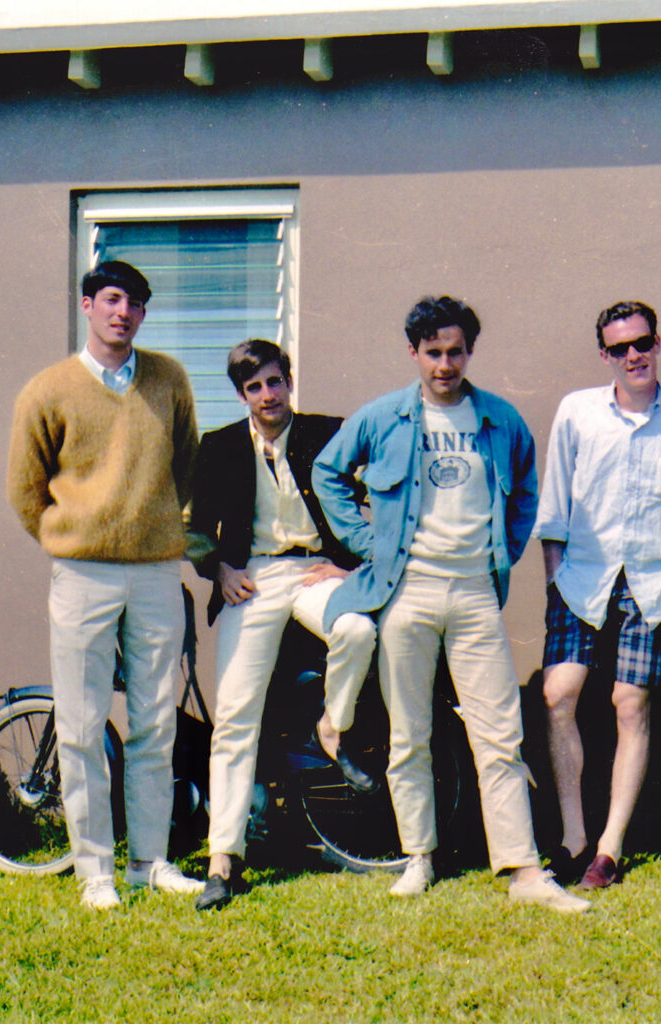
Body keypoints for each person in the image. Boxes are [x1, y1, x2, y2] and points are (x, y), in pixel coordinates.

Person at [312, 295, 588, 913]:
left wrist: (504, 552)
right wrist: (370, 544)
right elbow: (328, 472)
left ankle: (523, 869)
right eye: (433, 353)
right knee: (410, 731)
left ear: (470, 352)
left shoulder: (500, 420)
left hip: (472, 594)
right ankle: (419, 858)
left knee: (498, 733)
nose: (445, 364)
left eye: (455, 351)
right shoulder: (383, 418)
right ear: (414, 353)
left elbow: (525, 499)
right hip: (405, 592)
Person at [7, 260, 203, 909]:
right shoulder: (48, 389)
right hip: (83, 573)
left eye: (137, 304)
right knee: (83, 725)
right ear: (88, 305)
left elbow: (188, 466)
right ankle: (96, 872)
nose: (124, 312)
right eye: (112, 299)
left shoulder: (169, 380)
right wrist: (72, 540)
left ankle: (150, 861)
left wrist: (163, 535)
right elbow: (25, 490)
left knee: (154, 721)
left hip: (153, 572)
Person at [186, 339, 377, 911]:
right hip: (253, 579)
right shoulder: (219, 448)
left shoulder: (328, 434)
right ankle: (224, 859)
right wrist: (218, 569)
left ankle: (333, 727)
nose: (268, 396)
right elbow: (195, 529)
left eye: (275, 382)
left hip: (316, 571)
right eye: (254, 388)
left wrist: (351, 562)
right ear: (242, 395)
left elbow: (382, 498)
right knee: (236, 714)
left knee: (358, 631)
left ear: (289, 381)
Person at [533, 300, 661, 890]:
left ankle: (608, 850)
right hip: (582, 578)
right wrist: (555, 574)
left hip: (653, 583)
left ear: (657, 343)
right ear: (605, 354)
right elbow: (554, 504)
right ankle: (573, 838)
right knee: (559, 694)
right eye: (619, 348)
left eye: (641, 343)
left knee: (629, 704)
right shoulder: (577, 412)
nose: (632, 356)